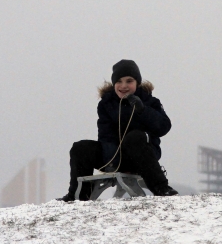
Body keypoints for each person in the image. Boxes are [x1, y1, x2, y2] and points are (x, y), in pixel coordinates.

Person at [58, 59, 178, 201]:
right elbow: (106, 135)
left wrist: (143, 110)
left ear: (137, 83)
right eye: (119, 82)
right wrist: (113, 163)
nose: (123, 86)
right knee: (80, 147)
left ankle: (161, 187)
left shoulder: (150, 101)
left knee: (134, 137)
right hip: (113, 156)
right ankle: (78, 194)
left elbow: (163, 127)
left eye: (129, 81)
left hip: (142, 156)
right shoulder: (106, 104)